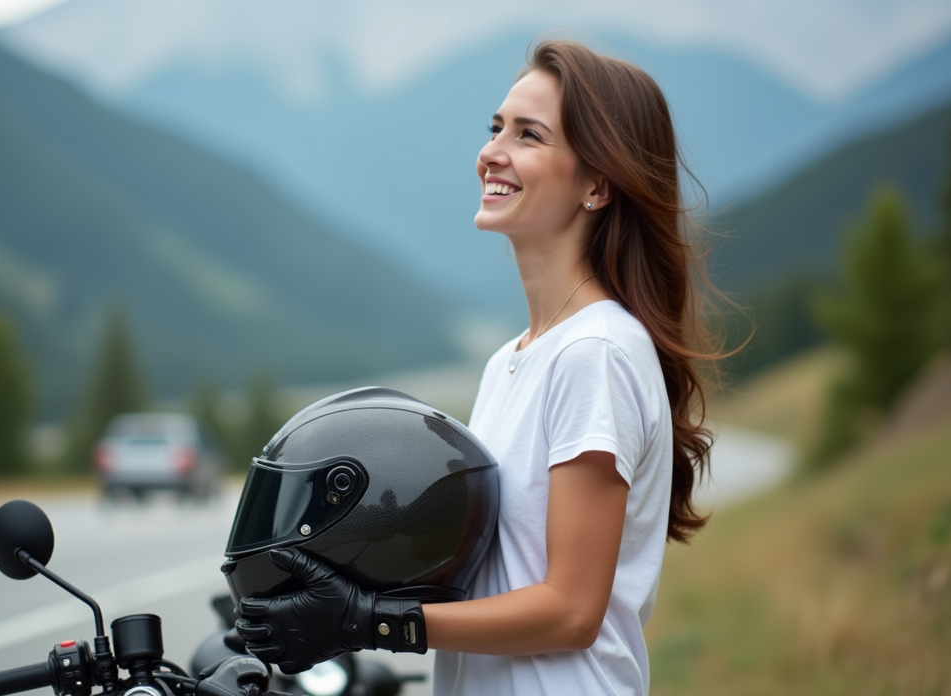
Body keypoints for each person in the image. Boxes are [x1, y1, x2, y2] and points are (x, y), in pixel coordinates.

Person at [236, 39, 722, 695]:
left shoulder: (595, 352)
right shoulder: (511, 362)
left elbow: (572, 612)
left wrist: (372, 621)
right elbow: (496, 573)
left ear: (597, 184)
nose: (492, 151)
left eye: (529, 135)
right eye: (496, 128)